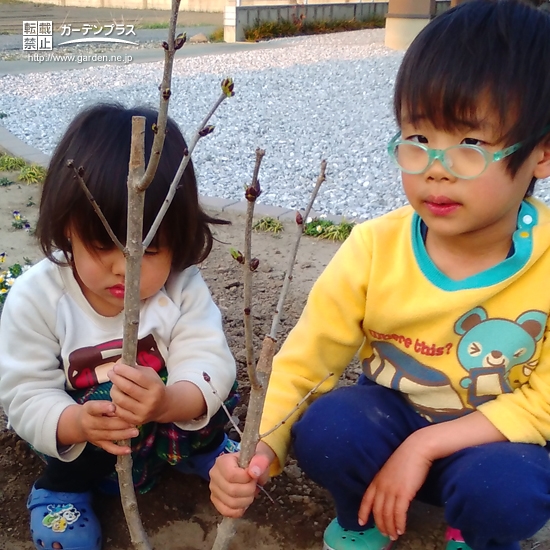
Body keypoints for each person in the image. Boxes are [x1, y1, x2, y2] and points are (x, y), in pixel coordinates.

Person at [208, 2, 550, 550]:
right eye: (417, 139)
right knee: (329, 429)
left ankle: (472, 532)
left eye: (470, 144)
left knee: (511, 489)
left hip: (492, 446)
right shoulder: (374, 246)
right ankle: (360, 516)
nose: (436, 167)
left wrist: (426, 448)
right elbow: (306, 362)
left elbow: (542, 405)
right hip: (390, 426)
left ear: (541, 152)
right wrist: (257, 451)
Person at [0, 103, 238, 550]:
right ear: (67, 229)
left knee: (217, 385)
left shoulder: (181, 287)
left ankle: (200, 453)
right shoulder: (36, 297)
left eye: (148, 251)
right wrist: (75, 423)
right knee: (95, 411)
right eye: (99, 244)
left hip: (166, 423)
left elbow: (209, 360)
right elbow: (24, 394)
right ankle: (61, 490)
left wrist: (168, 402)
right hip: (89, 441)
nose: (123, 267)